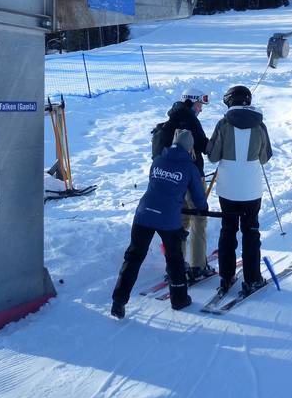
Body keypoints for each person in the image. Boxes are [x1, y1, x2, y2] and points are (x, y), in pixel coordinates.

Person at [111, 130, 207, 318]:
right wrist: (202, 208)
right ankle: (179, 299)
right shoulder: (189, 167)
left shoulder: (158, 160)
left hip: (143, 214)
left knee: (133, 257)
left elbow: (157, 186)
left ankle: (118, 301)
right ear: (190, 149)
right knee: (174, 258)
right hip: (168, 218)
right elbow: (198, 198)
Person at [205, 85, 273, 294]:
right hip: (251, 189)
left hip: (228, 188)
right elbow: (265, 157)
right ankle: (253, 278)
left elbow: (213, 156)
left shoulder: (223, 124)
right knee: (251, 232)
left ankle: (226, 276)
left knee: (228, 230)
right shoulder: (259, 125)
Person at [158, 91, 211, 279]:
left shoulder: (171, 118)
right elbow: (204, 146)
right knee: (199, 218)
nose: (201, 109)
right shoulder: (190, 120)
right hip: (193, 176)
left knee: (180, 219)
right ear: (191, 102)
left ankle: (176, 264)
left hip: (173, 179)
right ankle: (198, 265)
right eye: (199, 105)